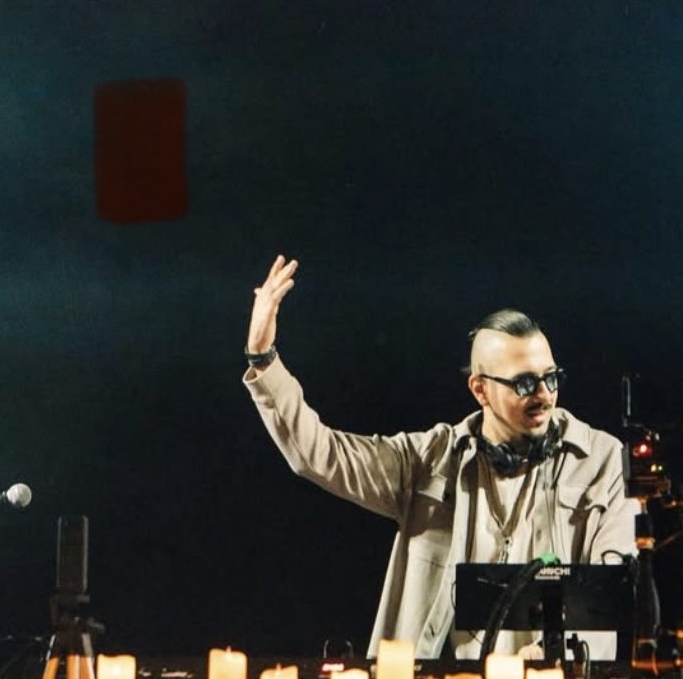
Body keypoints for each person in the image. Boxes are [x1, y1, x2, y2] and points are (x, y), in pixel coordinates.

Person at [243, 254, 638, 660]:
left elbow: (612, 587)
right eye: (524, 383)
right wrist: (262, 358)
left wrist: (547, 657)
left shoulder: (604, 461)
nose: (544, 394)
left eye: (551, 378)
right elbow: (320, 454)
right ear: (480, 390)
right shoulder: (429, 460)